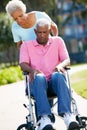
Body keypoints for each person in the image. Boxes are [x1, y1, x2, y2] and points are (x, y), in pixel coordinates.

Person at [19, 18, 79, 130]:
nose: (42, 35)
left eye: (45, 32)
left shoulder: (58, 41)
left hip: (54, 85)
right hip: (36, 85)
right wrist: (32, 70)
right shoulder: (26, 45)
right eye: (39, 32)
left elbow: (66, 59)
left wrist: (60, 66)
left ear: (49, 30)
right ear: (35, 32)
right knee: (40, 77)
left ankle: (67, 115)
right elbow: (23, 64)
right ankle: (45, 118)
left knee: (58, 75)